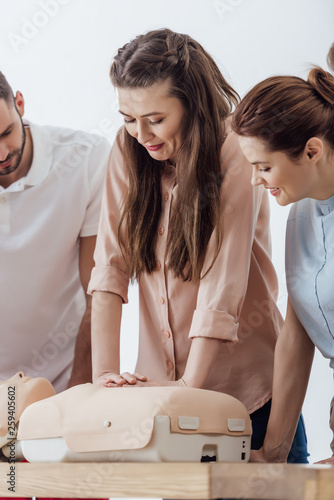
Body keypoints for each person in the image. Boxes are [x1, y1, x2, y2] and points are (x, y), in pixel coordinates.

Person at [88, 28, 308, 462]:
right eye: (128, 118)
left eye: (155, 118)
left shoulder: (235, 149)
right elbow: (109, 269)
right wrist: (104, 380)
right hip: (164, 411)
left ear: (191, 102)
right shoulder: (126, 149)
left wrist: (189, 387)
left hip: (248, 402)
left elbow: (221, 284)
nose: (141, 133)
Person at [231, 65, 334, 464]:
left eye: (264, 167)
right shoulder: (300, 209)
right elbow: (298, 330)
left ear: (312, 151)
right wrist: (273, 450)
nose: (256, 181)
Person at [0, 72, 110, 393]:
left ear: (19, 103)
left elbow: (99, 290)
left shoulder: (85, 159)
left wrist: (79, 390)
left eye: (6, 132)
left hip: (60, 381)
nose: (2, 154)